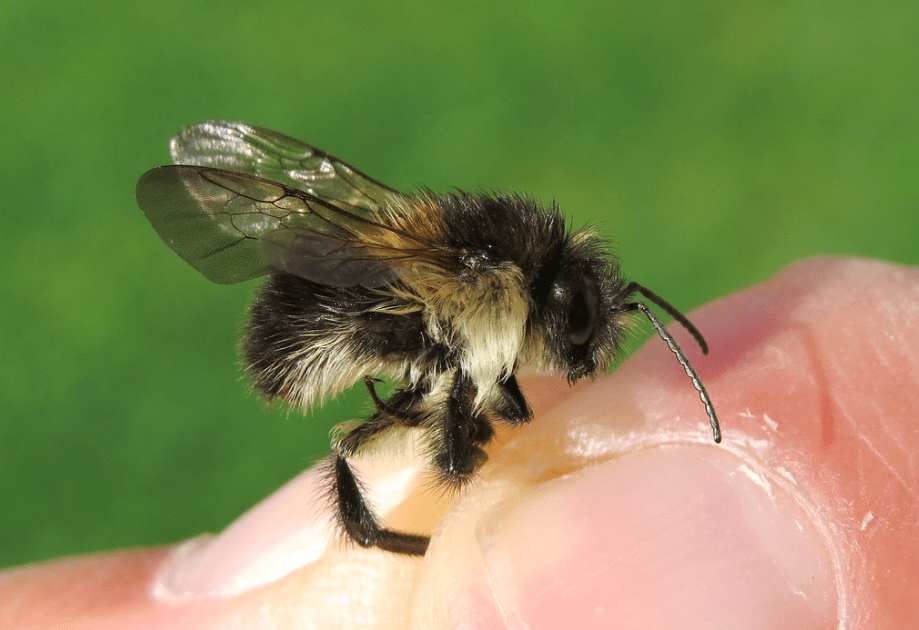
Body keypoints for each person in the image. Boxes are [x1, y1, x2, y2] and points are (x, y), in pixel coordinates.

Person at [2, 257, 916, 629]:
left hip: (376, 329)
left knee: (449, 426)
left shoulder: (493, 309)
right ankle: (374, 534)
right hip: (325, 324)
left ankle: (380, 530)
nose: (588, 344)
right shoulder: (481, 289)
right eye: (577, 319)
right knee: (445, 434)